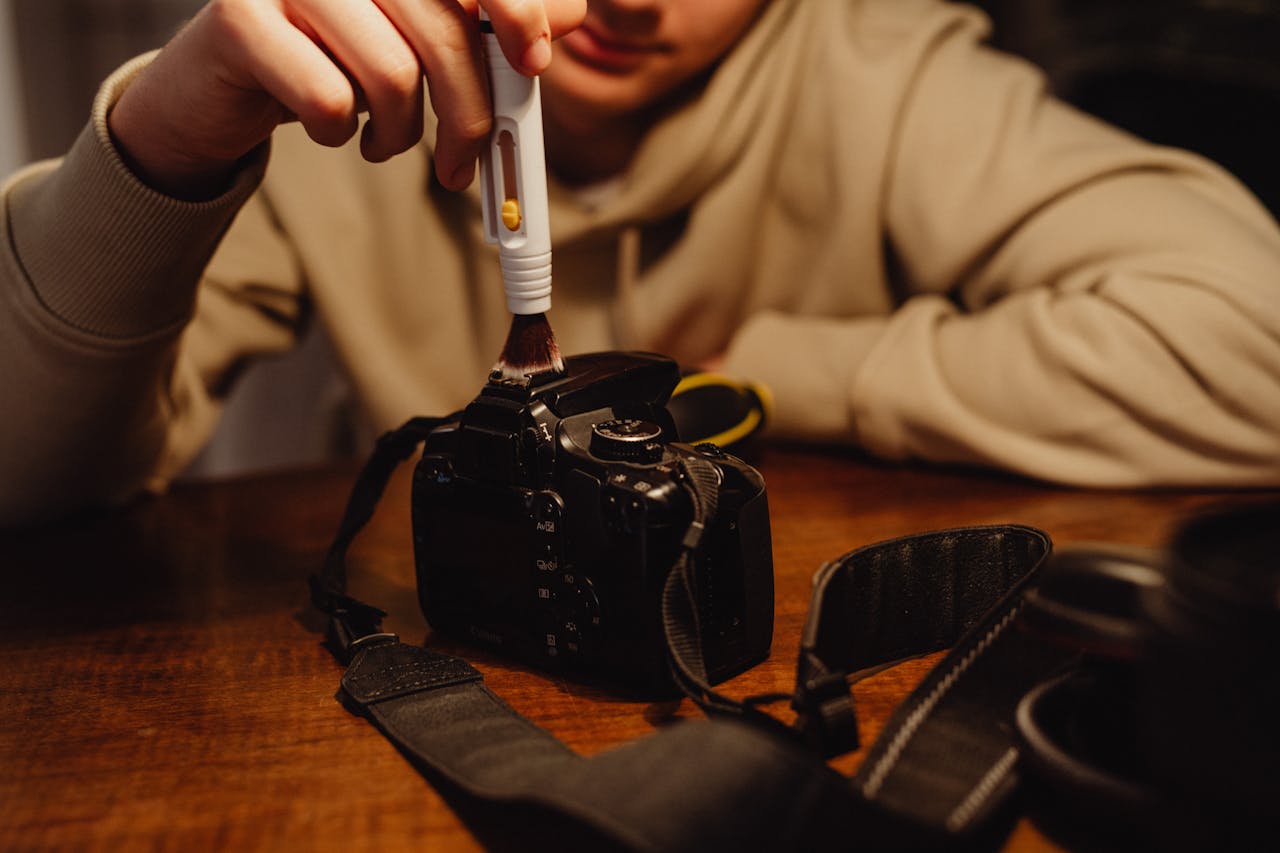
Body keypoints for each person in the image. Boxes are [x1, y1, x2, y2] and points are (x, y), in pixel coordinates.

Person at [2, 0, 1279, 527]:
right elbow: (29, 486)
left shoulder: (879, 75)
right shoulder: (337, 89)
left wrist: (762, 382)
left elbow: (1253, 343)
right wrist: (157, 149)